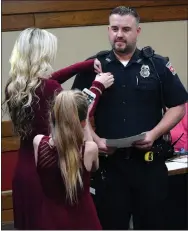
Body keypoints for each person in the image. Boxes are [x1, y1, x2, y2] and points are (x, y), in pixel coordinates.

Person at [72, 6, 188, 230]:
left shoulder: (157, 65)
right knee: (112, 224)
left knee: (153, 224)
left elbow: (178, 106)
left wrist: (153, 134)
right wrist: (94, 139)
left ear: (138, 31)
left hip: (148, 165)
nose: (119, 34)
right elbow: (75, 111)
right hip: (110, 167)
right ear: (108, 30)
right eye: (114, 28)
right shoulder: (94, 66)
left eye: (126, 29)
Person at [3, 27, 114, 229]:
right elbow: (78, 114)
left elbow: (50, 80)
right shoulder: (50, 89)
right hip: (47, 172)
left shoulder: (14, 86)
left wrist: (83, 66)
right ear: (42, 54)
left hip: (23, 172)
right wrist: (98, 86)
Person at [33, 90, 102, 229]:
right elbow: (94, 167)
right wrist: (86, 121)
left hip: (50, 219)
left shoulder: (38, 143)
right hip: (84, 220)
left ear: (53, 116)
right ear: (83, 123)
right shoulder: (89, 149)